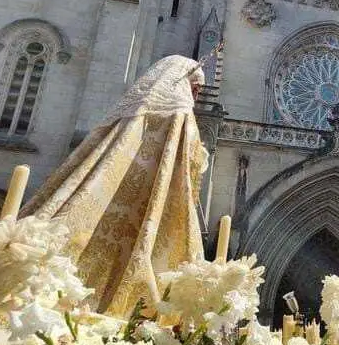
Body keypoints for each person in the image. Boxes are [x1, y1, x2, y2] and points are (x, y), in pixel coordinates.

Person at [21, 55, 209, 317]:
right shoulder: (179, 117)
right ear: (178, 83)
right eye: (195, 87)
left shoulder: (129, 118)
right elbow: (188, 162)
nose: (196, 96)